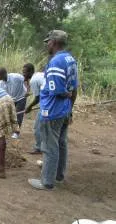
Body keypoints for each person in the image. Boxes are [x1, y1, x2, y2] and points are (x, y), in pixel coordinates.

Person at [28, 30, 78, 190]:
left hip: (52, 111)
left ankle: (47, 182)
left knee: (50, 146)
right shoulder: (70, 59)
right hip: (64, 110)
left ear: (54, 42)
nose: (46, 44)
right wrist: (70, 108)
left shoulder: (56, 61)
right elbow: (74, 88)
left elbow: (57, 89)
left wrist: (66, 94)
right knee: (61, 143)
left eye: (48, 41)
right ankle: (58, 175)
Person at [0, 66, 31, 138]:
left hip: (21, 97)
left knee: (18, 115)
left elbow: (26, 79)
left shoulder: (16, 77)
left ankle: (16, 132)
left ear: (4, 74)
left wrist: (28, 90)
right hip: (11, 99)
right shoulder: (1, 83)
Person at [25, 71, 45, 154]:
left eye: (24, 71)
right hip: (51, 104)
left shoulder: (33, 80)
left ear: (30, 71)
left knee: (37, 127)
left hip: (46, 106)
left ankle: (39, 148)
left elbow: (37, 98)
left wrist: (29, 107)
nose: (23, 73)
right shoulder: (39, 74)